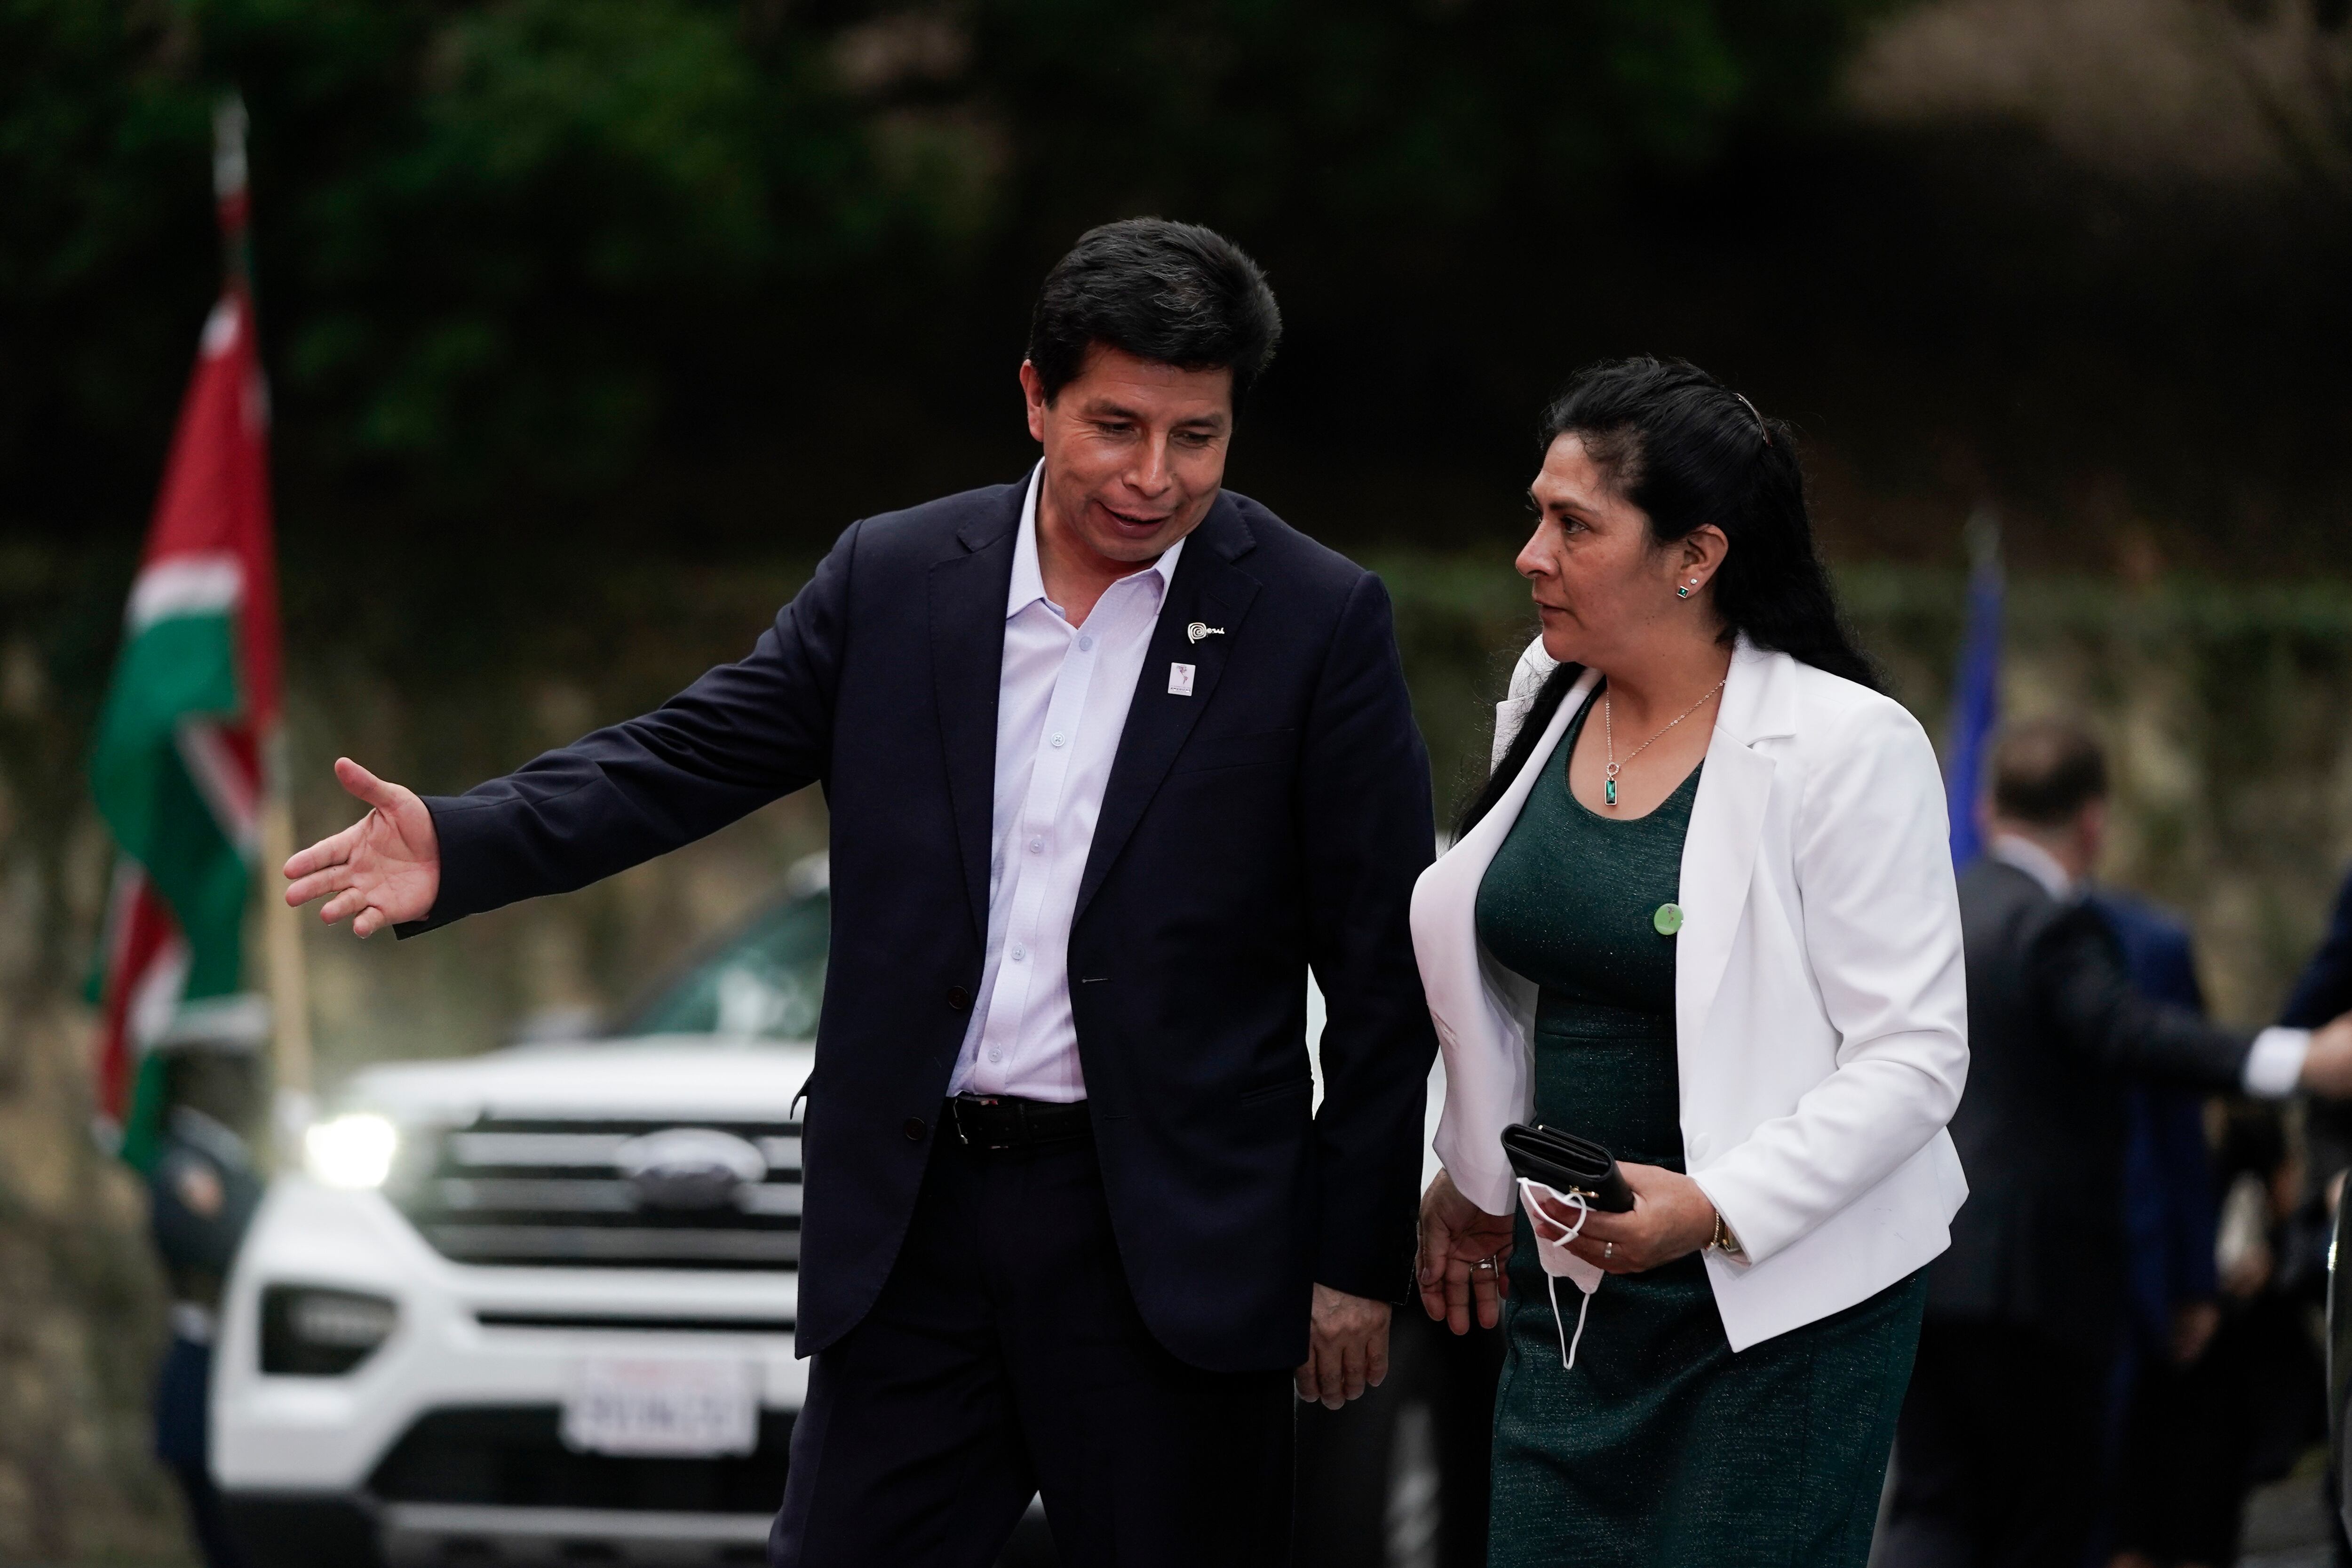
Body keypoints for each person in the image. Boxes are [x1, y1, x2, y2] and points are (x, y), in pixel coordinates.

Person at [280, 218, 1440, 1568]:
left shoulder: (1313, 616)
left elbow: (1378, 965)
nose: (1153, 475)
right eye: (1116, 425)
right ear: (1034, 397)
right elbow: (687, 754)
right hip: (915, 1227)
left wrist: (1353, 1257)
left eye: (1197, 436)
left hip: (1170, 1250)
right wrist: (466, 843)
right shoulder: (895, 581)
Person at [1412, 356, 1971, 1567]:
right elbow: (1508, 988)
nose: (1529, 553)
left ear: (1695, 556)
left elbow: (1916, 1061)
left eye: (1573, 524)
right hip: (1571, 1292)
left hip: (1780, 1313)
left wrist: (1711, 1209)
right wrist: (1467, 1177)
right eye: (1535, 514)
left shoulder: (1847, 746)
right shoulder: (1545, 689)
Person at [1880, 718, 2352, 1568]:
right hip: (2038, 1285)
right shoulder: (2057, 927)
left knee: (1932, 1507)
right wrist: (2301, 1058)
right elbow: (2132, 1034)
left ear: (1988, 808)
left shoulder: (1932, 908)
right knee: (2045, 1517)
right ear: (2094, 822)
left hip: (1923, 1262)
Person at [146, 1019, 268, 1568]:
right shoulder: (186, 1165)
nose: (250, 1085)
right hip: (207, 1377)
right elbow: (219, 1244)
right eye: (236, 1070)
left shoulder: (232, 1160)